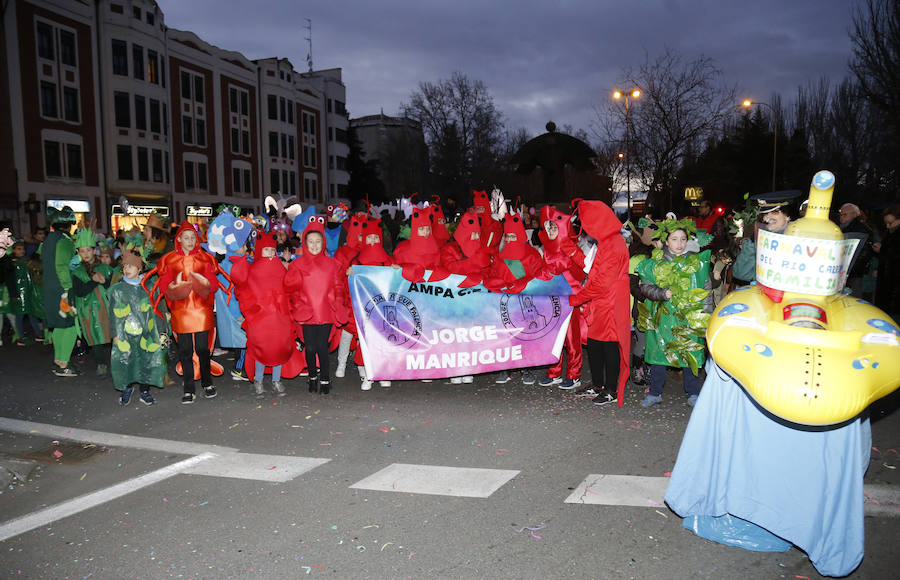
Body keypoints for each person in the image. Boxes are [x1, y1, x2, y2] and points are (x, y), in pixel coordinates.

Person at [635, 220, 713, 407]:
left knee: (690, 353)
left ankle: (693, 393)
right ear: (666, 241)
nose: (679, 243)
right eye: (674, 239)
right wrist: (661, 293)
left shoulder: (697, 264)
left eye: (683, 239)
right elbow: (645, 287)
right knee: (659, 355)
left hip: (688, 318)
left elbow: (706, 289)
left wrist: (706, 315)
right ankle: (655, 392)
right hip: (663, 318)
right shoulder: (654, 264)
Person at [146, 222, 222, 404]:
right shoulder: (170, 260)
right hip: (181, 312)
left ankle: (207, 383)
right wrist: (175, 288)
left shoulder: (205, 258)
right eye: (186, 237)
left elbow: (215, 284)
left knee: (204, 350)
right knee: (185, 351)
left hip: (202, 312)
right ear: (178, 239)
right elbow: (164, 285)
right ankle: (189, 388)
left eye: (193, 237)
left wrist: (204, 284)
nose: (190, 241)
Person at [567, 200, 631, 407]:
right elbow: (593, 273)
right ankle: (597, 384)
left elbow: (602, 283)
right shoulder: (606, 242)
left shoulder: (614, 244)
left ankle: (610, 389)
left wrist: (577, 298)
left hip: (610, 303)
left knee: (609, 346)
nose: (584, 227)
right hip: (600, 302)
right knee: (595, 344)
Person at [231, 233, 304, 398]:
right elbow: (244, 290)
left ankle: (276, 380)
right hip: (261, 319)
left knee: (277, 349)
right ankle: (258, 380)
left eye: (272, 250)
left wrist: (289, 267)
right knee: (261, 350)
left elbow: (288, 287)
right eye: (266, 250)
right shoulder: (253, 269)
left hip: (279, 318)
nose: (270, 253)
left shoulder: (279, 267)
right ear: (259, 250)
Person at [285, 217, 348, 395]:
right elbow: (293, 290)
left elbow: (338, 286)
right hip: (307, 312)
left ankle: (325, 380)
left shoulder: (332, 264)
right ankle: (312, 377)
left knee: (322, 347)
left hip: (326, 311)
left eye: (318, 241)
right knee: (310, 347)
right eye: (310, 241)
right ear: (305, 243)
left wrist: (338, 303)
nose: (314, 245)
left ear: (323, 242)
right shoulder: (296, 264)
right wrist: (299, 305)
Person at [108, 241, 168, 405]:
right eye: (125, 266)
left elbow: (157, 311)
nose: (127, 269)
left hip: (146, 333)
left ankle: (144, 390)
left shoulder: (148, 287)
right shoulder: (118, 290)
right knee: (126, 360)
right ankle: (127, 388)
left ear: (140, 269)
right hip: (125, 335)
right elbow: (113, 315)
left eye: (131, 266)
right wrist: (114, 334)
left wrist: (162, 331)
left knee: (145, 361)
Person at [536, 205, 586, 391]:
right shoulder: (547, 250)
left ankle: (574, 375)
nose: (550, 231)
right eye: (548, 227)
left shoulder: (572, 249)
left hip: (570, 300)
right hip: (552, 300)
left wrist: (567, 264)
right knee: (554, 339)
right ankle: (554, 372)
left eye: (554, 227)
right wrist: (547, 271)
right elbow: (541, 273)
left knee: (572, 340)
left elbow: (582, 274)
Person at [42, 206, 80, 376]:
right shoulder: (64, 240)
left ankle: (59, 360)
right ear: (67, 225)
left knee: (58, 325)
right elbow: (62, 266)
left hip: (50, 288)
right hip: (62, 288)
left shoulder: (49, 239)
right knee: (70, 326)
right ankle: (64, 364)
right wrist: (68, 289)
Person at [70, 228, 114, 376]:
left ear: (94, 251)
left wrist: (105, 282)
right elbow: (79, 291)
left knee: (112, 333)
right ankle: (101, 362)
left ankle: (119, 360)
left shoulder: (106, 268)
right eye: (82, 251)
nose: (86, 254)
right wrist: (93, 281)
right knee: (95, 335)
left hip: (106, 307)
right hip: (88, 309)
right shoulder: (77, 272)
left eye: (88, 250)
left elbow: (113, 288)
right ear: (79, 253)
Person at [838, 203, 874, 298]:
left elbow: (862, 253)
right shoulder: (844, 227)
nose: (841, 217)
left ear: (855, 214)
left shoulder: (858, 229)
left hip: (853, 274)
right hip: (848, 272)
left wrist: (851, 270)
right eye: (841, 214)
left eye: (845, 214)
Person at [873, 203, 900, 321]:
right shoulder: (890, 234)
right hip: (887, 285)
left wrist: (882, 251)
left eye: (891, 223)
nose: (888, 226)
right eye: (886, 223)